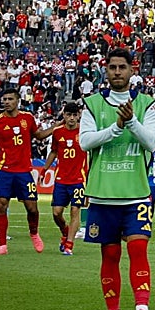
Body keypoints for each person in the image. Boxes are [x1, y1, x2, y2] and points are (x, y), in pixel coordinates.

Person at [79, 48, 155, 310]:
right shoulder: (91, 104)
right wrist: (116, 127)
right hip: (103, 193)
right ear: (106, 70)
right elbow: (85, 142)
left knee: (139, 249)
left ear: (131, 70)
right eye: (112, 67)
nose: (116, 72)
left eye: (122, 67)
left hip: (136, 192)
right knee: (110, 255)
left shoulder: (147, 104)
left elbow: (151, 143)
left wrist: (131, 122)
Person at [0, 87, 55, 255]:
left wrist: (56, 127)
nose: (6, 102)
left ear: (18, 101)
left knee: (32, 208)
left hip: (24, 171)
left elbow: (38, 135)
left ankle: (34, 233)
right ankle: (2, 245)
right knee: (1, 205)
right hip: (4, 170)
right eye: (4, 99)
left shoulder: (27, 118)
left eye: (10, 99)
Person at [49, 103, 89, 255]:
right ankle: (65, 231)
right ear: (64, 115)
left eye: (74, 115)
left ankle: (69, 245)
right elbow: (54, 151)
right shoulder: (57, 132)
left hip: (79, 179)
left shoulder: (85, 132)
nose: (71, 118)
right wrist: (45, 169)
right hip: (61, 179)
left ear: (78, 116)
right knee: (56, 213)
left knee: (75, 210)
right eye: (68, 115)